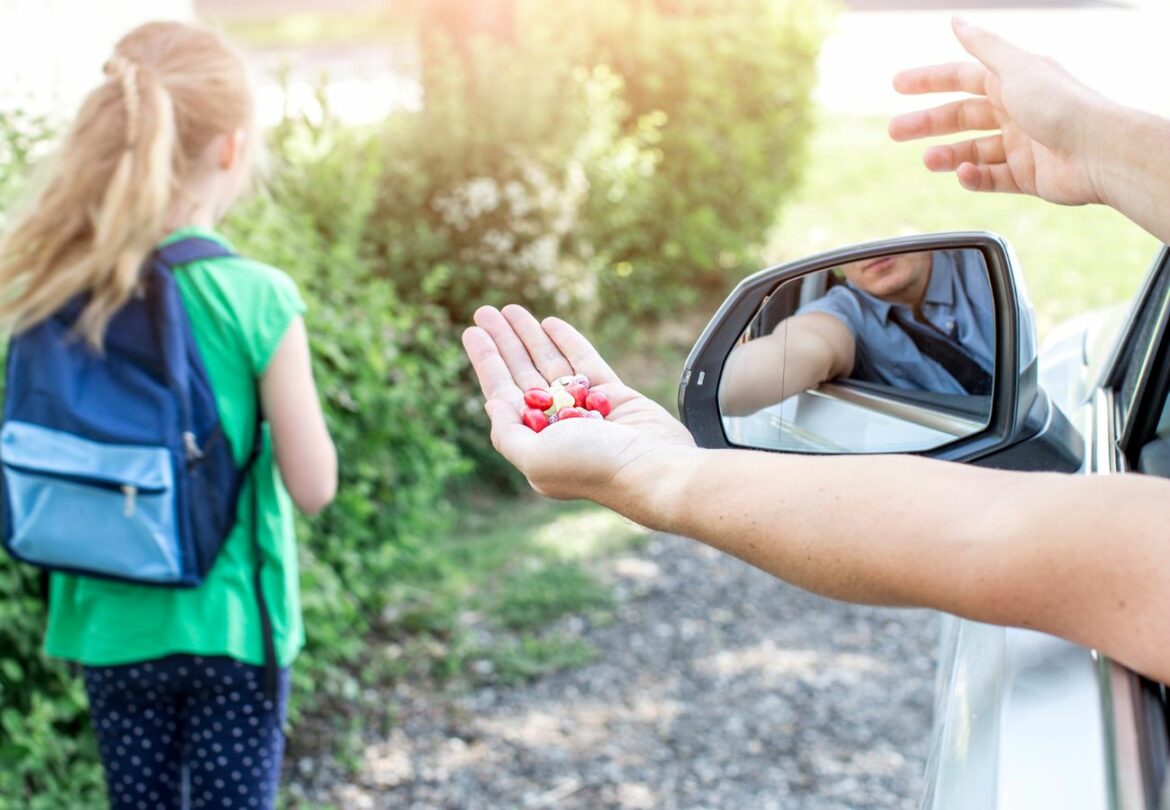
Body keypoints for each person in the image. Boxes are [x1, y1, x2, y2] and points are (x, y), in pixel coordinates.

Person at [462, 17, 1170, 685]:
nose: (868, 264)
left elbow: (988, 529)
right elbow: (780, 363)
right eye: (847, 258)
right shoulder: (840, 320)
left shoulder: (973, 270)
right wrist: (1097, 145)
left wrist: (664, 474)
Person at [0, 22, 337, 809]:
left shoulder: (50, 281)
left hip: (112, 626)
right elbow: (313, 485)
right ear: (231, 147)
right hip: (233, 629)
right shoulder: (255, 296)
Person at [719, 248, 995, 417]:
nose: (871, 249)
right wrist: (718, 383)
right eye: (851, 237)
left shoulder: (981, 264)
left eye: (881, 223)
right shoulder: (840, 312)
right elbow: (794, 349)